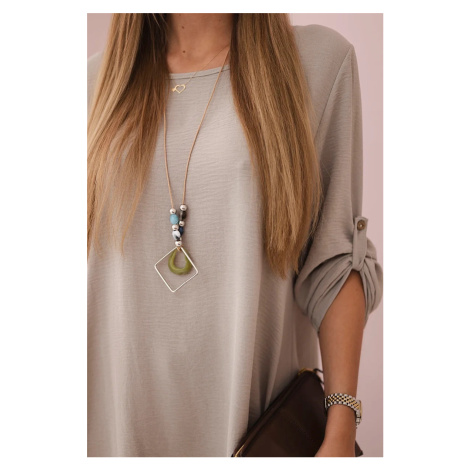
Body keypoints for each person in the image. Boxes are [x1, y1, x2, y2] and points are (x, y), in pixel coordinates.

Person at [87, 13, 383, 457]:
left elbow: (335, 260)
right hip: (110, 430)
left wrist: (341, 426)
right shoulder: (93, 84)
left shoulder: (317, 63)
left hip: (251, 436)